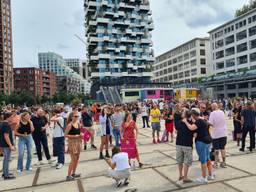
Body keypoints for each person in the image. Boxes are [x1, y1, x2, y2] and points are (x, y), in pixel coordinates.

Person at [183, 108, 214, 184]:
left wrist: (186, 122)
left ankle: (204, 178)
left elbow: (191, 128)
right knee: (207, 158)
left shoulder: (199, 121)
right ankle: (210, 175)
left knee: (203, 160)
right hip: (208, 141)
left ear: (193, 115)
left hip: (202, 142)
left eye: (191, 115)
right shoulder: (202, 120)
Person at [176, 109, 194, 183]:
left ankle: (181, 175)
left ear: (185, 115)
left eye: (182, 112)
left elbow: (176, 129)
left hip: (179, 144)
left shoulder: (179, 122)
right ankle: (185, 177)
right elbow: (194, 132)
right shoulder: (191, 123)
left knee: (180, 161)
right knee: (186, 161)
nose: (181, 113)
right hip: (187, 144)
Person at [209, 103, 227, 168]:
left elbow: (211, 124)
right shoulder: (222, 112)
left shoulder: (212, 113)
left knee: (216, 149)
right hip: (223, 133)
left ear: (213, 107)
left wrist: (206, 121)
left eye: (211, 107)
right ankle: (224, 162)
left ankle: (216, 163)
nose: (211, 108)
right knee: (223, 148)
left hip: (216, 133)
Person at [65, 111, 82, 181]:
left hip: (78, 142)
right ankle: (68, 176)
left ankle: (73, 173)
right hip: (72, 143)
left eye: (77, 116)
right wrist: (74, 136)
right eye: (75, 116)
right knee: (73, 159)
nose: (77, 117)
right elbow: (65, 135)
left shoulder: (78, 123)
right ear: (72, 117)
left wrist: (82, 134)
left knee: (77, 158)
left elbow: (79, 132)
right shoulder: (69, 125)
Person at [0, 112, 16, 180]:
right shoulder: (6, 125)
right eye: (12, 117)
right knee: (7, 160)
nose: (13, 118)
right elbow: (6, 136)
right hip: (6, 145)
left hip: (3, 144)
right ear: (8, 117)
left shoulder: (2, 123)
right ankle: (6, 175)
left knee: (5, 159)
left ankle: (5, 173)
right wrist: (10, 145)